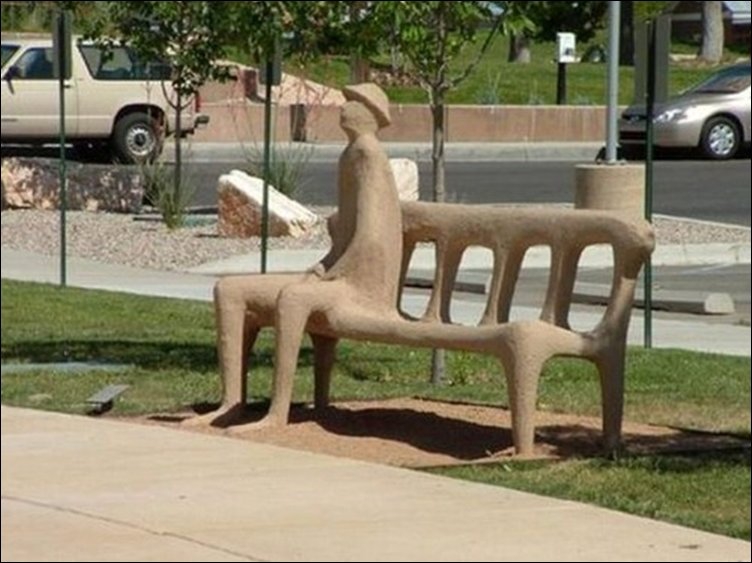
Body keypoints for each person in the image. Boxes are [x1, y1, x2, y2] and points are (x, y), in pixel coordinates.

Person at [187, 83, 403, 428]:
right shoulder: (350, 154)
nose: (344, 108)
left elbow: (371, 238)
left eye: (353, 102)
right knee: (229, 289)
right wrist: (322, 266)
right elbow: (346, 234)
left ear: (371, 114)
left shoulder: (368, 155)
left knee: (294, 298)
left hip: (363, 287)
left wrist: (331, 272)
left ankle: (277, 413)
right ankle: (231, 403)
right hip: (340, 274)